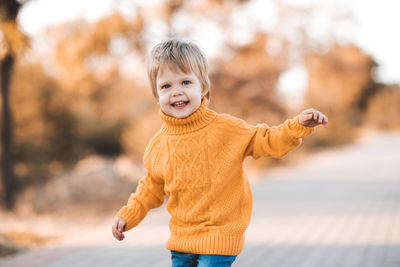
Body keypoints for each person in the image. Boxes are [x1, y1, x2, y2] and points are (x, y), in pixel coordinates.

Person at [112, 38, 328, 267]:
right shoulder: (158, 146)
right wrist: (128, 216)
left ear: (202, 86)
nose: (176, 92)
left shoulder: (226, 129)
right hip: (181, 240)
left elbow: (267, 140)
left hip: (221, 235)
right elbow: (149, 189)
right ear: (156, 94)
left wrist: (298, 125)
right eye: (166, 86)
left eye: (185, 82)